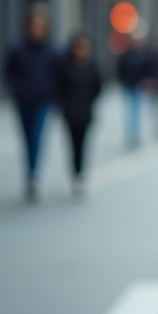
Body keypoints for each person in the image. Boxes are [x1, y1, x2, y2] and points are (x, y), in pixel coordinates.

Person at [3, 4, 60, 202]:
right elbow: (8, 72)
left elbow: (58, 76)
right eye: (34, 24)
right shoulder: (18, 48)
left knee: (37, 136)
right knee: (27, 138)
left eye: (41, 25)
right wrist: (17, 90)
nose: (37, 29)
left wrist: (55, 96)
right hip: (23, 100)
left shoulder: (52, 50)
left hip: (44, 101)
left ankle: (33, 176)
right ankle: (29, 172)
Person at [57, 32, 102, 197]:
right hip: (70, 114)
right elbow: (60, 88)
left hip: (86, 113)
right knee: (72, 145)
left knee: (83, 145)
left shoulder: (92, 67)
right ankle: (75, 174)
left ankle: (81, 174)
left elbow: (98, 88)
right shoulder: (66, 67)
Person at [116, 31, 152, 147]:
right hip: (128, 85)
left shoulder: (144, 54)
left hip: (139, 86)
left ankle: (135, 133)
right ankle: (130, 133)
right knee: (130, 110)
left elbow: (147, 69)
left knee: (137, 110)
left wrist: (146, 81)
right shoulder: (126, 54)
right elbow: (120, 69)